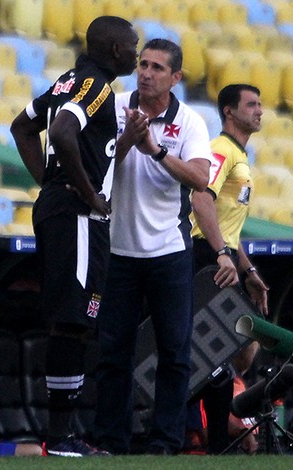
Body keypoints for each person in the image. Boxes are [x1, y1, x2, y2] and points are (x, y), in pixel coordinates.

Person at [9, 15, 139, 456]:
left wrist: (51, 182)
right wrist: (85, 194)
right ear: (116, 50)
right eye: (133, 47)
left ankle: (63, 435)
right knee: (72, 322)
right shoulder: (95, 84)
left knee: (75, 322)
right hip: (78, 216)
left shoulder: (68, 80)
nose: (137, 56)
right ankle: (61, 438)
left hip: (65, 209)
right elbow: (62, 131)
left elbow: (22, 126)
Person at [93, 38, 213, 456]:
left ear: (175, 78)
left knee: (175, 352)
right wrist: (127, 139)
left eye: (158, 68)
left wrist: (155, 150)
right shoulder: (114, 106)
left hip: (168, 252)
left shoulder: (192, 123)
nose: (146, 72)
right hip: (117, 250)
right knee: (112, 352)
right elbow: (96, 165)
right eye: (143, 64)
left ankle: (165, 442)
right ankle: (111, 440)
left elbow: (200, 180)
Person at [186, 84, 270, 454]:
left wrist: (249, 271)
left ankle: (215, 443)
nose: (259, 110)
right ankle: (198, 441)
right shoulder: (221, 150)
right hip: (203, 257)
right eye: (251, 104)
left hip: (218, 255)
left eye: (260, 104)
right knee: (209, 357)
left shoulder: (239, 155)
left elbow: (229, 228)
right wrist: (220, 253)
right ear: (228, 112)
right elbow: (201, 196)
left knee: (217, 358)